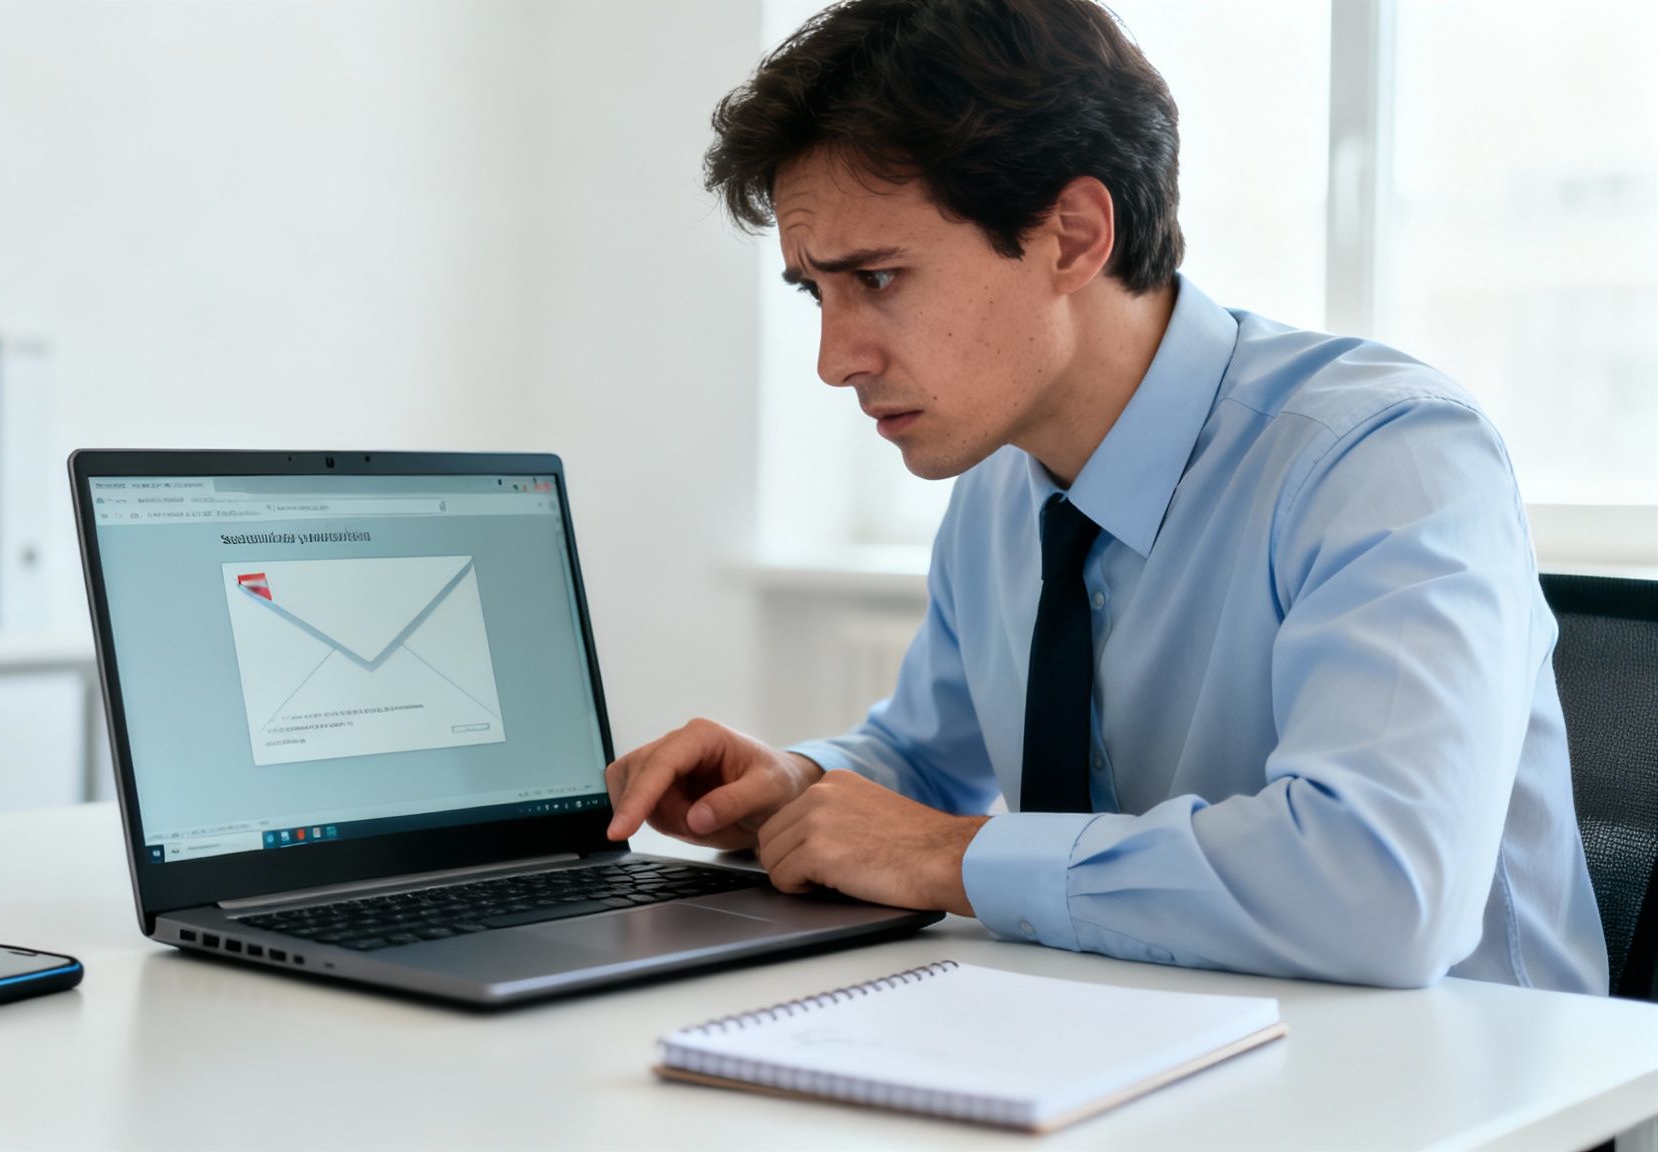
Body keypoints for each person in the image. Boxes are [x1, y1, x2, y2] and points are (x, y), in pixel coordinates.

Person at [604, 0, 1606, 993]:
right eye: (811, 292)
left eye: (875, 277)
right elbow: (925, 757)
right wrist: (797, 787)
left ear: (1074, 235)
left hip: (1458, 1095)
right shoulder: (1001, 483)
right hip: (1143, 1051)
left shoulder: (1382, 459)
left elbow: (1379, 892)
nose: (833, 361)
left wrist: (949, 858)